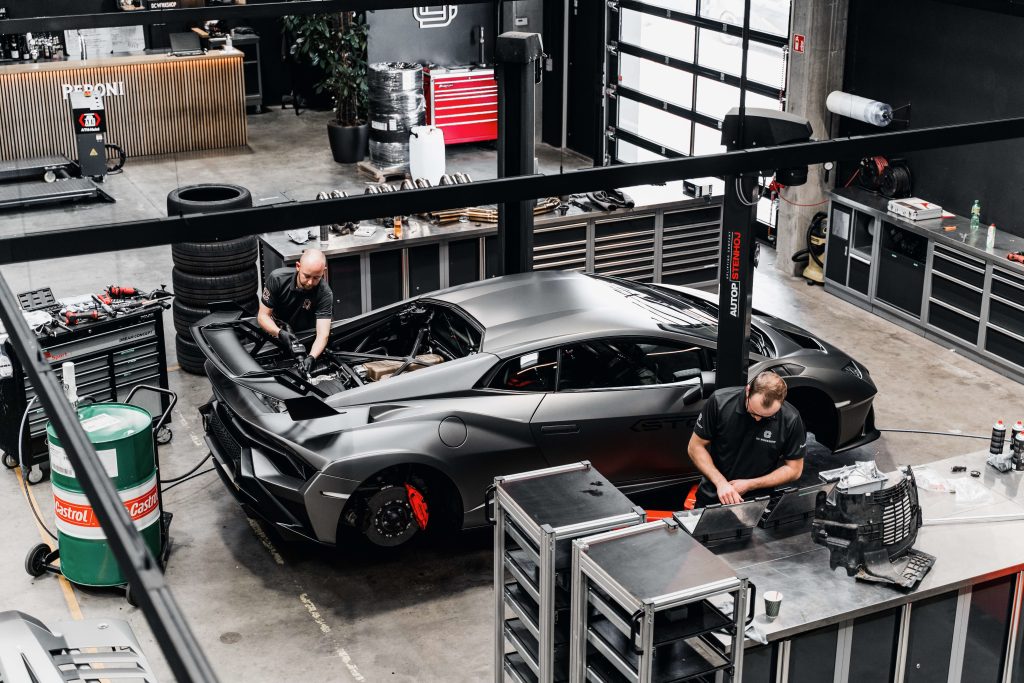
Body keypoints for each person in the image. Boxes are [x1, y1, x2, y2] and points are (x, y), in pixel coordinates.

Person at [687, 370, 806, 507]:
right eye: (753, 412)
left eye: (767, 417)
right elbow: (695, 447)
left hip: (758, 502)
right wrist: (721, 483)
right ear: (748, 391)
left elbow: (794, 469)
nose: (758, 419)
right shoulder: (720, 402)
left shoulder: (791, 419)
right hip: (712, 496)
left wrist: (751, 484)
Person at [257, 249, 333, 372]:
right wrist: (279, 333)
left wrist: (312, 357)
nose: (310, 282)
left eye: (316, 278)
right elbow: (263, 316)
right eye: (307, 276)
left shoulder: (325, 293)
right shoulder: (277, 279)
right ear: (298, 266)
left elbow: (322, 334)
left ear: (323, 271)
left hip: (305, 337)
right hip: (277, 332)